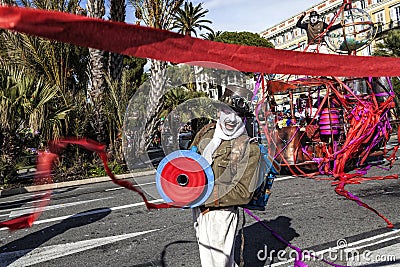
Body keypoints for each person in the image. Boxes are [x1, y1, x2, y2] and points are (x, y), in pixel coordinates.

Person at [190, 85, 261, 267]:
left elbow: (243, 192)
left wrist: (204, 194)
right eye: (227, 111)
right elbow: (189, 161)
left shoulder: (248, 148)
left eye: (237, 114)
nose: (231, 119)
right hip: (199, 211)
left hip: (221, 216)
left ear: (243, 117)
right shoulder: (206, 133)